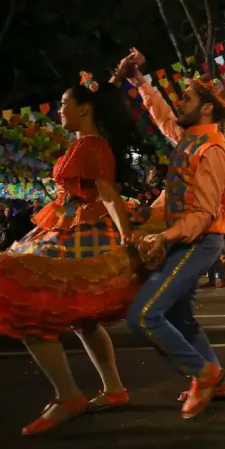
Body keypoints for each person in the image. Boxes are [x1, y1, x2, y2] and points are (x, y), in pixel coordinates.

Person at [0, 75, 162, 435]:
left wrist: (127, 237)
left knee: (28, 305)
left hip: (79, 232)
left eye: (63, 104)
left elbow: (106, 194)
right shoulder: (85, 144)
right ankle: (114, 389)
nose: (59, 111)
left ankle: (68, 394)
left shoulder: (92, 146)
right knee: (83, 320)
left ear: (84, 108)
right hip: (65, 226)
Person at [120, 49, 225, 419]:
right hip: (185, 238)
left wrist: (165, 236)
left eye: (187, 97)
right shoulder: (190, 138)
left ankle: (202, 373)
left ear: (206, 109)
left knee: (144, 315)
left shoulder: (213, 151)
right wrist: (140, 81)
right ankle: (217, 380)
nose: (179, 102)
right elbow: (163, 117)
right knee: (182, 320)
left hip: (199, 241)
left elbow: (203, 215)